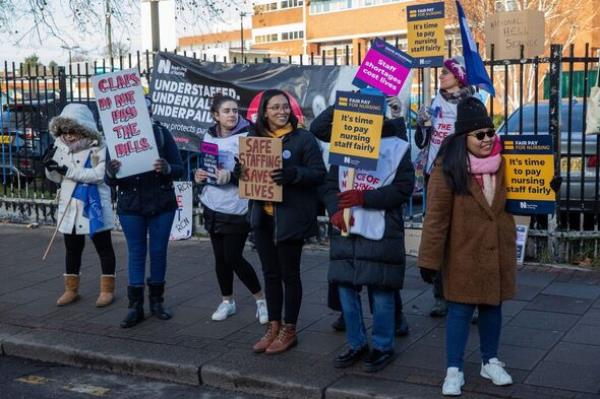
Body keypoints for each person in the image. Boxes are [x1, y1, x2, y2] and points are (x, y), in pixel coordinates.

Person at [418, 97, 516, 396]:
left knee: (492, 309)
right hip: (462, 254)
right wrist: (429, 260)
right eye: (480, 135)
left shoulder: (504, 164)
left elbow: (520, 201)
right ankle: (454, 369)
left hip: (496, 251)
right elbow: (435, 218)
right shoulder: (447, 168)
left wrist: (550, 190)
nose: (488, 140)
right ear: (464, 138)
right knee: (459, 313)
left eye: (491, 133)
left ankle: (490, 361)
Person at [320, 93, 415, 373]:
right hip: (346, 230)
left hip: (381, 231)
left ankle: (383, 346)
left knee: (381, 292)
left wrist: (365, 198)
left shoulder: (396, 146)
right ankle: (356, 342)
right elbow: (328, 185)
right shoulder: (343, 142)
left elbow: (403, 189)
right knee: (346, 290)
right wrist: (334, 208)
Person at [249, 89, 326, 355]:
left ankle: (289, 329)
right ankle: (273, 325)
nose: (282, 112)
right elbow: (249, 175)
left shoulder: (303, 138)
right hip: (263, 218)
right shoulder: (254, 137)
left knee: (289, 275)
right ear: (264, 112)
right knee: (270, 274)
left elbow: (318, 173)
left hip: (291, 218)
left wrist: (293, 174)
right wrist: (242, 172)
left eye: (285, 107)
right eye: (275, 108)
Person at [105, 98, 183, 329]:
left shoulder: (161, 134)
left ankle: (157, 302)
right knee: (136, 252)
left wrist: (167, 168)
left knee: (159, 252)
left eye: (145, 110)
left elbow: (178, 168)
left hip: (161, 202)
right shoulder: (116, 137)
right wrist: (111, 171)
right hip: (131, 203)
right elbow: (108, 178)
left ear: (150, 112)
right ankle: (135, 307)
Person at [194, 94, 268, 324]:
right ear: (215, 115)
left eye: (235, 110)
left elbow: (257, 173)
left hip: (238, 206)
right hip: (212, 204)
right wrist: (200, 176)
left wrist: (233, 177)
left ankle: (261, 300)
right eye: (226, 111)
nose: (232, 115)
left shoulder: (251, 134)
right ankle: (227, 301)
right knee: (220, 258)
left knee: (233, 256)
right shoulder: (209, 134)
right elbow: (206, 165)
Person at [414, 57, 477, 318]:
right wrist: (423, 125)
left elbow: (480, 138)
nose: (441, 77)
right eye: (440, 73)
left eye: (446, 73)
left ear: (459, 77)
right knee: (438, 233)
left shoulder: (472, 104)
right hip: (436, 173)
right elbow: (422, 142)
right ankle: (440, 296)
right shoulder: (433, 103)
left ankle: (471, 299)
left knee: (465, 235)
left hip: (463, 173)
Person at [44, 104, 116, 308]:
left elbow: (98, 176)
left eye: (72, 130)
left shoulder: (98, 146)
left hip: (93, 205)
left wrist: (66, 170)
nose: (68, 135)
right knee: (72, 248)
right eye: (64, 131)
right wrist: (50, 167)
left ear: (83, 128)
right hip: (71, 206)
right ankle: (71, 289)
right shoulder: (60, 146)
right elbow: (58, 177)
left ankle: (107, 289)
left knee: (104, 247)